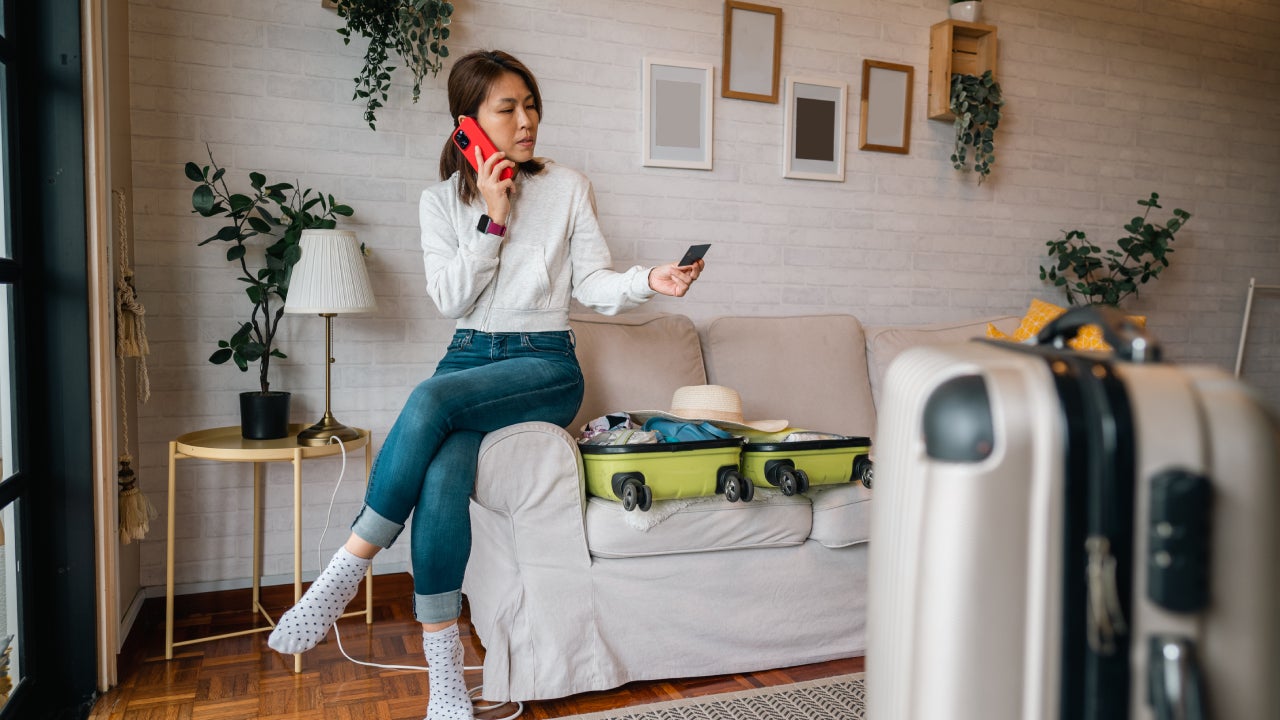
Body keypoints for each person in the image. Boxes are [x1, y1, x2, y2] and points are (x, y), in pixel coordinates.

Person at [267, 50, 703, 719]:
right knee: (442, 475)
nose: (527, 120)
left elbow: (591, 281)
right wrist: (492, 217)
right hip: (468, 357)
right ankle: (445, 681)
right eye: (509, 108)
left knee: (426, 400)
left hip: (545, 363)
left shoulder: (567, 186)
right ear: (467, 122)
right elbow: (449, 298)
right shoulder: (440, 201)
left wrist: (652, 280)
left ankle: (344, 569)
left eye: (532, 105)